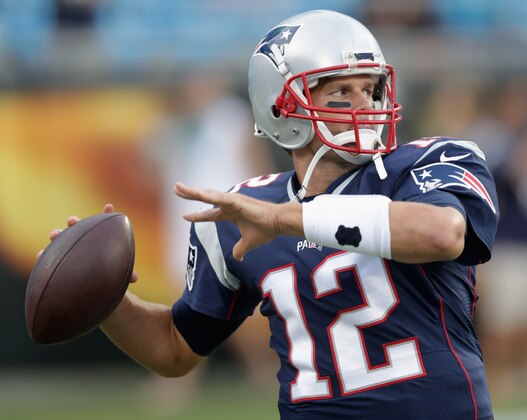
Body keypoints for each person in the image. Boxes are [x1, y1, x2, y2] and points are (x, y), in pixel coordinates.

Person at [45, 10, 499, 419]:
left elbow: (443, 233)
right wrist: (107, 298)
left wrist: (287, 219)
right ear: (282, 106)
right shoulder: (242, 213)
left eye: (371, 87)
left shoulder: (429, 162)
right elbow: (175, 349)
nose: (366, 106)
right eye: (342, 91)